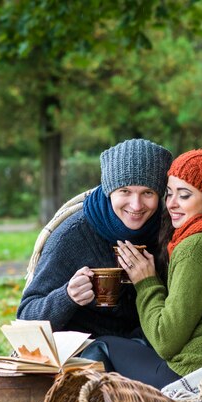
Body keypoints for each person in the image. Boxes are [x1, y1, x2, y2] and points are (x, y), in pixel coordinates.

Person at [82, 148, 202, 388]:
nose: (172, 204)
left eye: (185, 195)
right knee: (136, 340)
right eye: (168, 194)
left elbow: (165, 340)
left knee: (100, 346)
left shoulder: (196, 246)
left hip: (195, 373)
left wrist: (145, 281)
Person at [17, 138, 173, 343]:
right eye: (125, 191)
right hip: (84, 354)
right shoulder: (74, 234)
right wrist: (66, 297)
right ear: (109, 191)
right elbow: (25, 318)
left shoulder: (168, 231)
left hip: (149, 349)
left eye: (147, 193)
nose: (136, 205)